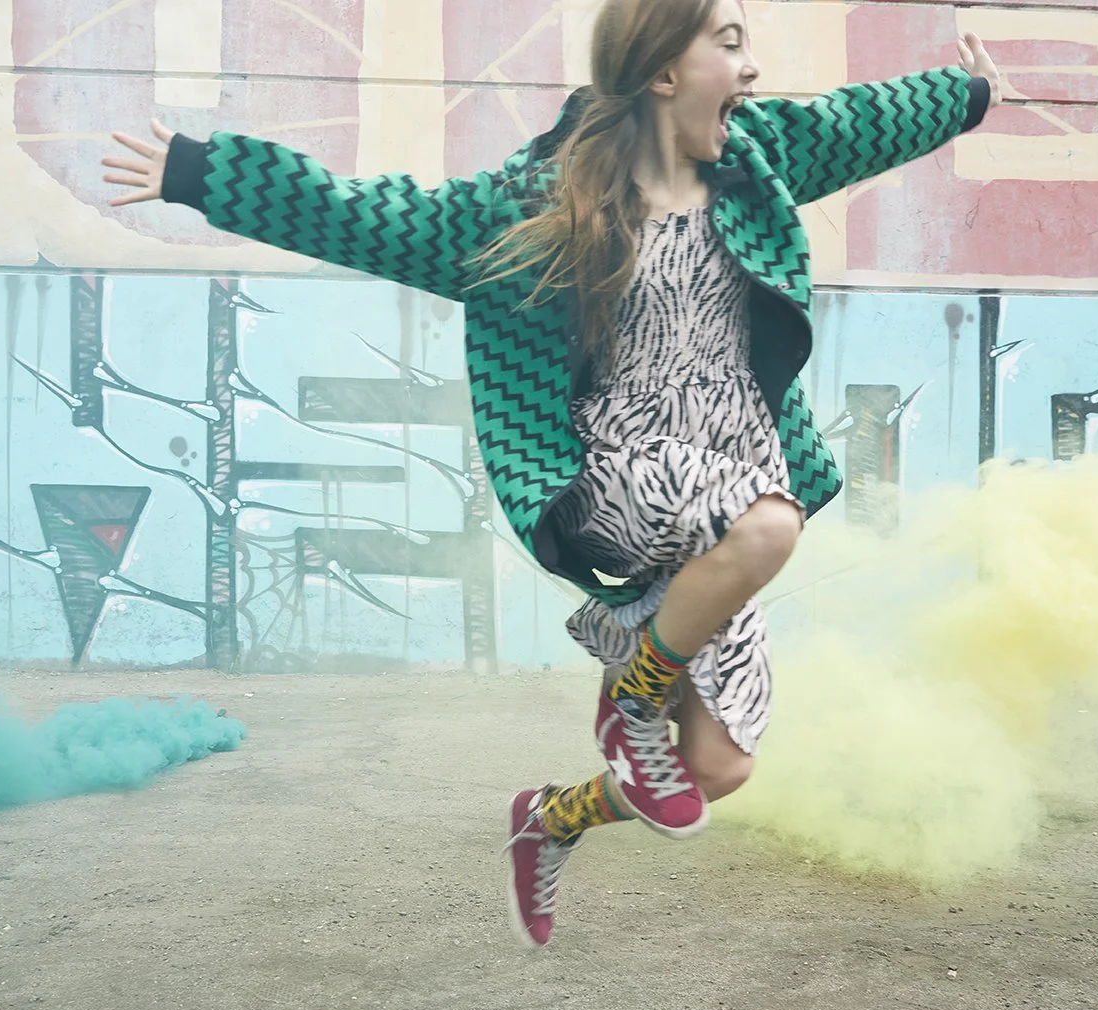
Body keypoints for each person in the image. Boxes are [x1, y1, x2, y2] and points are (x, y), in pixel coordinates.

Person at [102, 0, 1002, 948]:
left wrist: (969, 94)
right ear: (662, 72)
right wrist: (201, 172)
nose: (751, 70)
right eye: (729, 45)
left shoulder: (757, 160)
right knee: (771, 525)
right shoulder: (540, 201)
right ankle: (634, 696)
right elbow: (368, 216)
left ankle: (549, 816)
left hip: (732, 478)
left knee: (718, 768)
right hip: (618, 469)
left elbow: (862, 122)